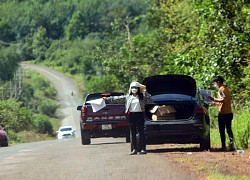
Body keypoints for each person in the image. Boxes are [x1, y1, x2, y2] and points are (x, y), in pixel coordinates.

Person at [104, 81, 153, 155]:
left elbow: (150, 100)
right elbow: (117, 99)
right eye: (132, 88)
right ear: (130, 89)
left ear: (138, 89)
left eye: (135, 88)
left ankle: (143, 149)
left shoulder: (142, 97)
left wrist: (145, 92)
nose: (134, 89)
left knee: (141, 132)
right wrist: (107, 99)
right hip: (131, 115)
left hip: (140, 114)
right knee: (132, 133)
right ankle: (134, 149)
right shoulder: (128, 97)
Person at [208, 76, 235, 151]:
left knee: (222, 130)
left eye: (215, 83)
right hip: (229, 112)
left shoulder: (221, 90)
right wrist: (215, 103)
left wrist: (213, 99)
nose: (215, 84)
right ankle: (232, 145)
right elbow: (224, 102)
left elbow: (222, 100)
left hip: (223, 114)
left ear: (218, 82)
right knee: (229, 129)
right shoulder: (227, 89)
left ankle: (223, 146)